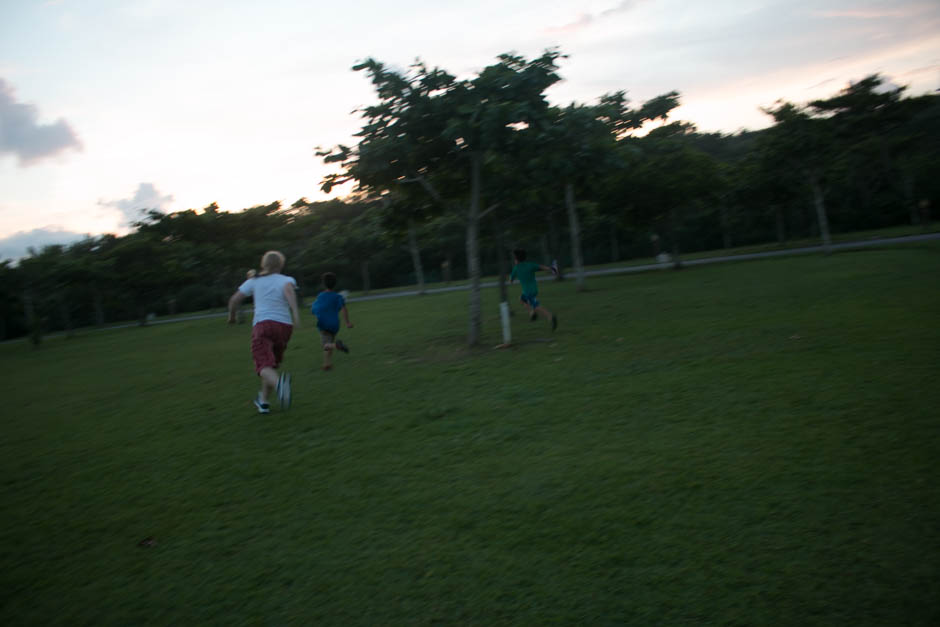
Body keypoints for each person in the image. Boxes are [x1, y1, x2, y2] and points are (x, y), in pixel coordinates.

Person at [227, 251, 300, 414]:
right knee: (270, 365)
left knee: (264, 366)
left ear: (263, 264)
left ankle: (280, 385)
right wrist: (295, 313)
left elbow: (233, 301)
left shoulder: (253, 281)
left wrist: (232, 317)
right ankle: (263, 402)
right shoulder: (287, 280)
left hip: (264, 325)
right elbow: (289, 291)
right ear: (281, 265)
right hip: (284, 327)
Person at [311, 272, 353, 371]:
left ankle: (337, 346)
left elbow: (315, 308)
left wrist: (315, 312)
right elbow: (344, 309)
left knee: (326, 345)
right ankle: (327, 364)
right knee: (329, 343)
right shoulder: (338, 297)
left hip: (323, 324)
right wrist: (347, 322)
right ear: (335, 284)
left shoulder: (320, 296)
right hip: (334, 325)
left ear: (323, 284)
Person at [510, 248, 558, 331]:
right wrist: (552, 269)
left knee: (536, 306)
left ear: (516, 260)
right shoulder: (530, 265)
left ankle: (550, 317)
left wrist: (513, 278)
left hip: (529, 292)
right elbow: (542, 267)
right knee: (521, 299)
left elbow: (511, 280)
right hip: (533, 290)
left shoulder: (516, 268)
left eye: (514, 259)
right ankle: (532, 313)